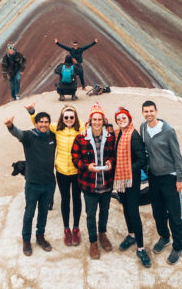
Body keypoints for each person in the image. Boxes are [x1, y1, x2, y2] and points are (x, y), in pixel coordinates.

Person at [26, 103, 83, 246]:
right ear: (62, 118)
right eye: (66, 117)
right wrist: (32, 112)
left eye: (71, 116)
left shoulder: (81, 128)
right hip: (62, 171)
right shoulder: (57, 128)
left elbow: (94, 126)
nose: (69, 119)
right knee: (65, 199)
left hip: (77, 171)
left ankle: (76, 228)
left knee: (77, 199)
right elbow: (40, 124)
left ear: (75, 117)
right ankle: (66, 229)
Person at [5, 111, 55, 256]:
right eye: (41, 122)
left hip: (49, 182)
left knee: (44, 212)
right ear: (36, 123)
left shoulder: (53, 136)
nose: (44, 124)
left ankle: (40, 236)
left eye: (46, 122)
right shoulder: (29, 136)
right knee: (29, 213)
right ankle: (26, 240)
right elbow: (18, 133)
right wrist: (10, 126)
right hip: (33, 183)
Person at [140, 100, 182, 264]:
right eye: (146, 111)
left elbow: (177, 156)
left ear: (156, 112)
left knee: (174, 214)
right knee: (158, 211)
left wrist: (179, 178)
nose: (149, 114)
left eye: (151, 111)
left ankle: (178, 246)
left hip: (169, 177)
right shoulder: (143, 128)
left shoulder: (168, 131)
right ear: (143, 113)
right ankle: (164, 237)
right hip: (153, 177)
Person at [71, 104, 115, 259]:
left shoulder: (110, 137)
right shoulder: (81, 138)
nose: (97, 122)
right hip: (89, 184)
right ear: (90, 121)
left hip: (106, 183)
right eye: (94, 119)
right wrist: (86, 167)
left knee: (105, 211)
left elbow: (113, 155)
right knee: (90, 214)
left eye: (99, 119)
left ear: (103, 121)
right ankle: (93, 242)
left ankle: (102, 234)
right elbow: (75, 158)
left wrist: (110, 161)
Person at [112, 107, 151, 268]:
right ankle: (131, 235)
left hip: (131, 180)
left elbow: (142, 159)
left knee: (133, 212)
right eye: (119, 118)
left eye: (124, 118)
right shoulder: (119, 134)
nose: (121, 120)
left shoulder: (133, 135)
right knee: (126, 209)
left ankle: (141, 248)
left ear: (129, 118)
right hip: (122, 180)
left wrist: (128, 170)